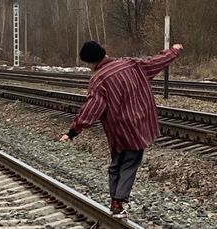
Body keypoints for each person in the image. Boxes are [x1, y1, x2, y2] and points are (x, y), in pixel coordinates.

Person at [60, 41, 183, 218]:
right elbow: (156, 62)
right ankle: (118, 201)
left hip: (118, 131)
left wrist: (72, 132)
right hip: (139, 126)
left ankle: (116, 200)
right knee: (130, 162)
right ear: (104, 53)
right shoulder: (132, 65)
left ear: (90, 62)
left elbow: (92, 109)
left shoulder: (98, 79)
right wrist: (173, 51)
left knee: (117, 164)